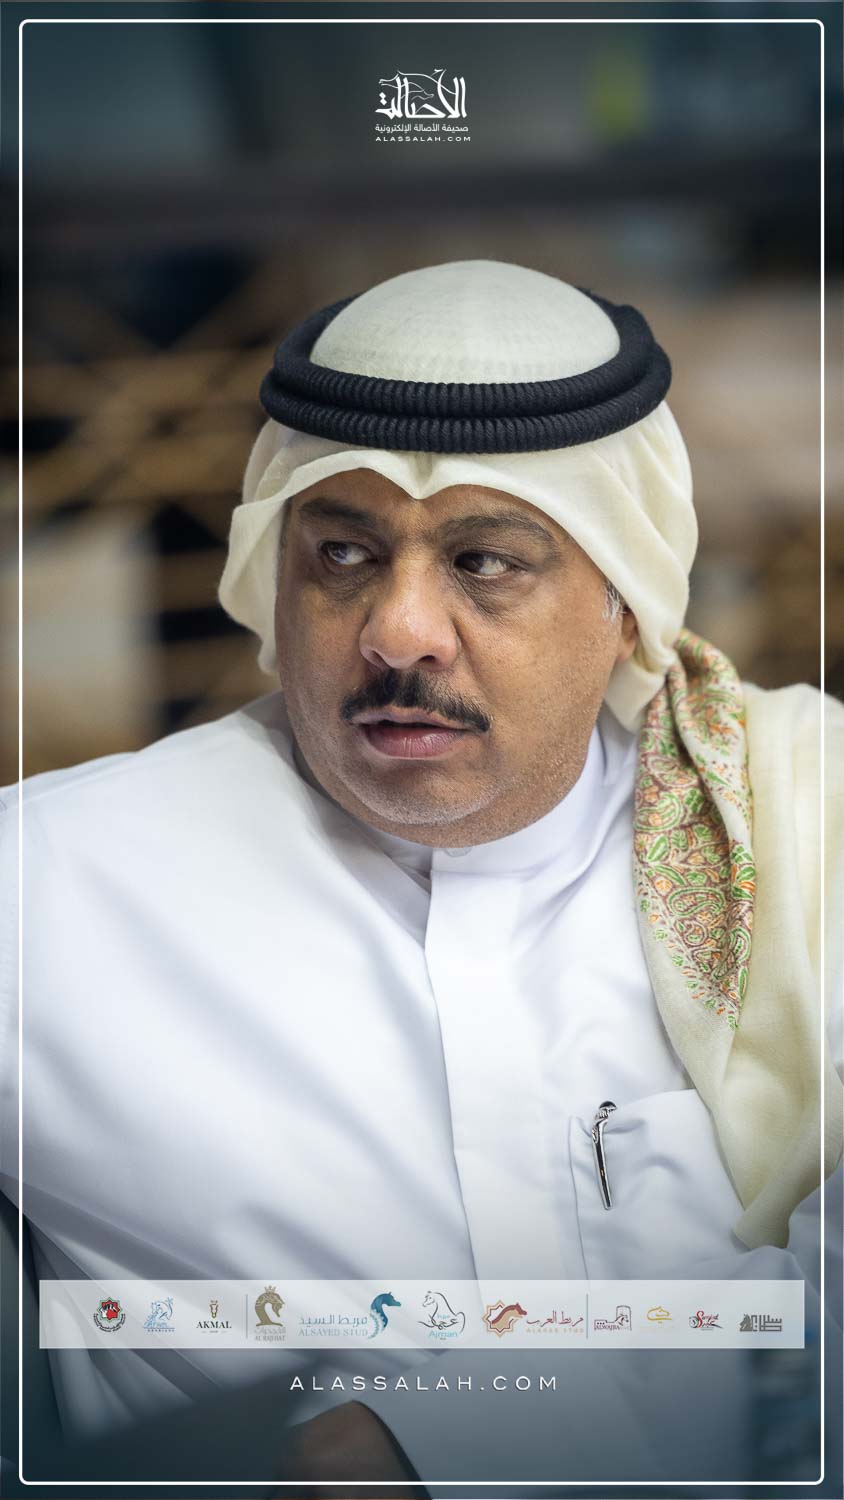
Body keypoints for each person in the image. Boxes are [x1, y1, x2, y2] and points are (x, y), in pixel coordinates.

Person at [2, 259, 842, 1495]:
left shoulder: (805, 835)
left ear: (623, 601)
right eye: (342, 553)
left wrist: (430, 1445)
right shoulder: (47, 892)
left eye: (484, 562)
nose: (398, 633)